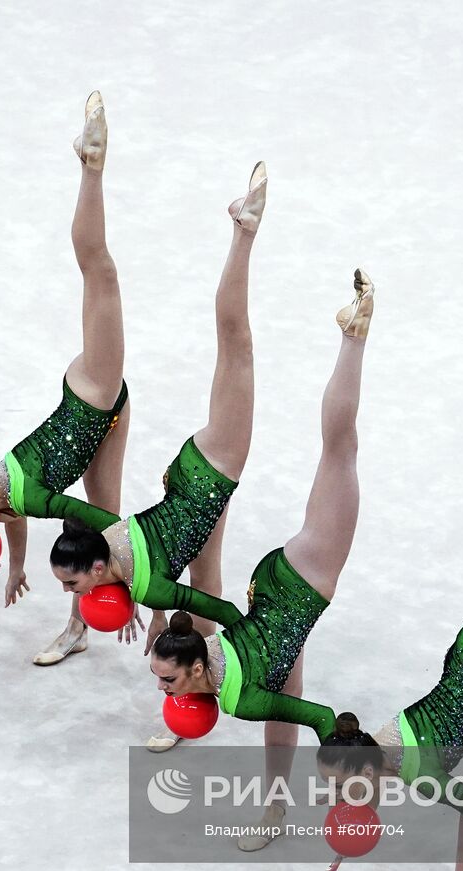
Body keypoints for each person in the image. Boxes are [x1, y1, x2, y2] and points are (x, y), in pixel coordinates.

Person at [316, 347, 463, 871]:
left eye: (341, 792)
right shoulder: (376, 745)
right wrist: (347, 838)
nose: (340, 801)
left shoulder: (412, 769)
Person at [146, 268, 373, 830]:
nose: (162, 689)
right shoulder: (213, 656)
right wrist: (157, 602)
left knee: (340, 450)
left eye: (167, 681)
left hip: (299, 584)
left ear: (197, 670)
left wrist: (345, 768)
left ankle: (355, 337)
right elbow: (218, 609)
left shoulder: (241, 698)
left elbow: (320, 717)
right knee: (288, 666)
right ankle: (274, 803)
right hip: (267, 593)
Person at [43, 160, 268, 672]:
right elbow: (174, 586)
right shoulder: (113, 547)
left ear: (98, 569)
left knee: (238, 346)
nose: (71, 590)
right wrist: (169, 616)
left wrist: (178, 617)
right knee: (205, 569)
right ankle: (200, 677)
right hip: (189, 480)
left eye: (73, 586)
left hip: (207, 475)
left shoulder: (135, 575)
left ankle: (245, 233)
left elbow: (202, 600)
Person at [0, 91, 132, 665]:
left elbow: (84, 519)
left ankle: (92, 165)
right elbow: (12, 514)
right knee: (102, 506)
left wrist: (143, 590)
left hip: (95, 392)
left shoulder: (17, 492)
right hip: (103, 420)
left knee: (98, 267)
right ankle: (77, 627)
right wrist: (17, 566)